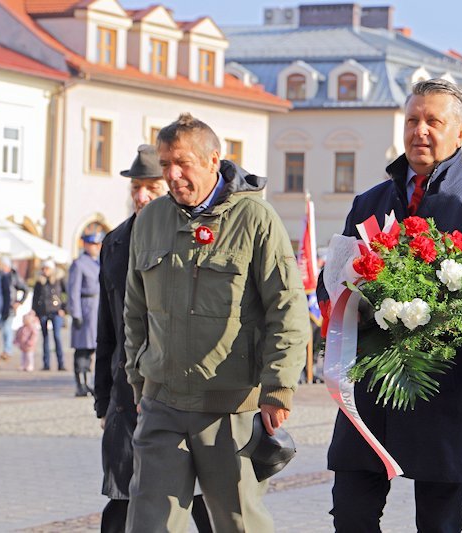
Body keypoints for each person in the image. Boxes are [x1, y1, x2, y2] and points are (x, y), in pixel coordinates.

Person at [322, 78, 462, 532]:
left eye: (434, 120)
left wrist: (433, 316)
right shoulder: (369, 201)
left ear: (461, 132)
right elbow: (333, 280)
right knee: (351, 513)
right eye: (413, 120)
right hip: (371, 387)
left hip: (443, 391)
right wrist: (350, 300)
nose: (421, 131)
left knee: (438, 522)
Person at [123, 114, 311, 532]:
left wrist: (278, 387)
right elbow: (135, 311)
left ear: (214, 159)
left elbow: (288, 308)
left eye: (183, 162)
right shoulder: (151, 220)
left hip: (231, 408)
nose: (172, 174)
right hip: (162, 404)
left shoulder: (255, 219)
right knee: (148, 523)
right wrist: (139, 380)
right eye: (166, 162)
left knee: (238, 523)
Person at [94, 144, 212, 533]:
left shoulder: (194, 235)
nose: (141, 196)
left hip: (183, 393)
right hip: (125, 398)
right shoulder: (114, 242)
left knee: (200, 503)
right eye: (136, 188)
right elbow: (106, 326)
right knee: (121, 498)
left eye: (151, 187)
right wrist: (102, 400)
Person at [69, 232, 103, 396]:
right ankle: (80, 383)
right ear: (86, 245)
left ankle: (87, 381)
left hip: (96, 308)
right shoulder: (79, 264)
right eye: (94, 244)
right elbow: (73, 290)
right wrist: (76, 313)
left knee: (91, 349)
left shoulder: (98, 263)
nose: (97, 248)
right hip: (85, 308)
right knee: (82, 349)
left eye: (98, 245)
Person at [32, 260, 66, 371]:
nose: (45, 271)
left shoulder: (58, 280)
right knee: (45, 338)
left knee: (57, 336)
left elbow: (66, 294)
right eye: (43, 269)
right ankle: (46, 364)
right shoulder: (39, 282)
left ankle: (61, 363)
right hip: (43, 312)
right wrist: (35, 311)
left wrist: (63, 308)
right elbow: (35, 298)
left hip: (56, 312)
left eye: (47, 268)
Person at [0, 257, 28, 361]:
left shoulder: (14, 277)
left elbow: (25, 289)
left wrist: (19, 302)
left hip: (9, 307)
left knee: (7, 330)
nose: (2, 268)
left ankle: (7, 351)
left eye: (4, 266)